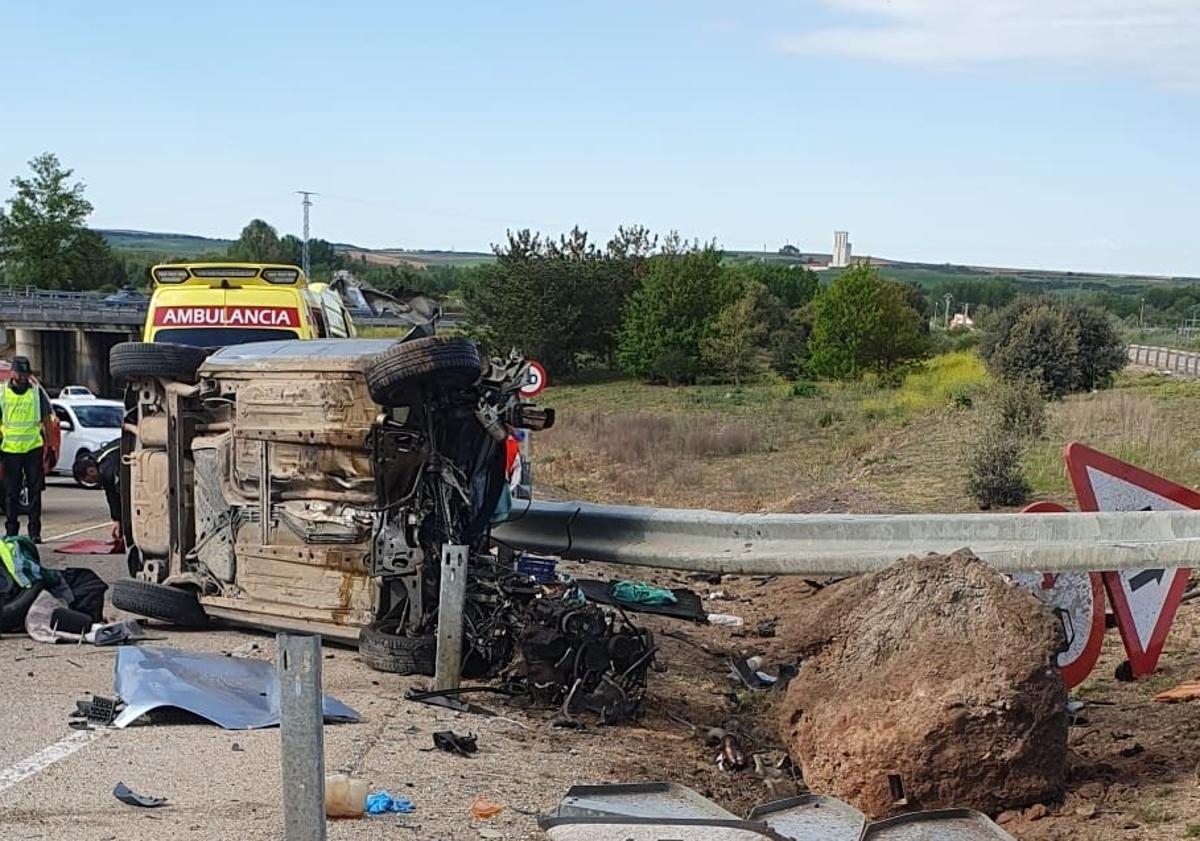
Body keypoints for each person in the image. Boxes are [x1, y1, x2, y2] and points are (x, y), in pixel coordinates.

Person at [0, 357, 54, 542]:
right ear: (12, 373)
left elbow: (47, 420)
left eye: (26, 374)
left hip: (33, 449)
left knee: (35, 491)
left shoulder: (36, 393)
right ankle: (12, 531)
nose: (23, 377)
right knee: (11, 493)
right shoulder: (2, 393)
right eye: (20, 373)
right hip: (10, 450)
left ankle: (34, 532)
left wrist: (51, 447)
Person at [73, 439, 122, 542]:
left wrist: (120, 522)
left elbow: (115, 494)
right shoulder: (97, 459)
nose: (92, 483)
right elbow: (111, 494)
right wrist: (116, 519)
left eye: (89, 481)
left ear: (91, 471)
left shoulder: (107, 468)